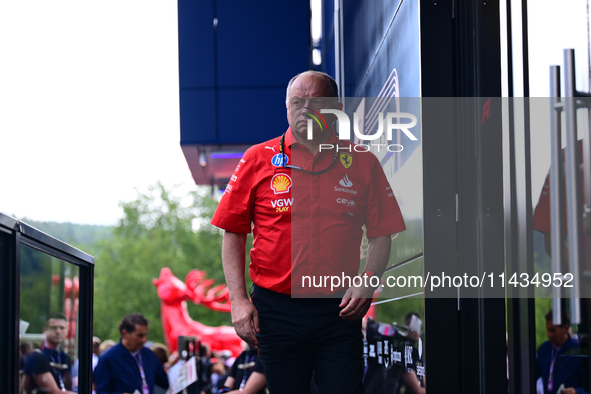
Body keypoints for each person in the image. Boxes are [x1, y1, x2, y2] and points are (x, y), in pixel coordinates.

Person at [211, 70, 406, 393]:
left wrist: (368, 280)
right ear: (286, 107)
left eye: (315, 103)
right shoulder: (257, 160)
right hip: (276, 311)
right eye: (297, 103)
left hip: (339, 310)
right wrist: (238, 299)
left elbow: (381, 233)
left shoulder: (362, 162)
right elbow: (233, 232)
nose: (305, 111)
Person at [93, 313, 169, 394]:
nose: (144, 340)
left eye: (145, 335)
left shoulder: (149, 355)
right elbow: (101, 391)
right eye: (140, 335)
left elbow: (165, 381)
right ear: (125, 333)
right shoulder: (108, 358)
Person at [536, 310, 587, 394]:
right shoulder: (543, 349)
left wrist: (576, 392)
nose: (549, 334)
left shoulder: (579, 351)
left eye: (553, 330)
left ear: (565, 328)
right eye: (548, 330)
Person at [22, 312, 74, 394]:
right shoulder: (37, 357)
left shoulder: (64, 356)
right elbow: (53, 392)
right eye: (53, 327)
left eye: (62, 328)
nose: (58, 331)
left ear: (67, 330)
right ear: (45, 330)